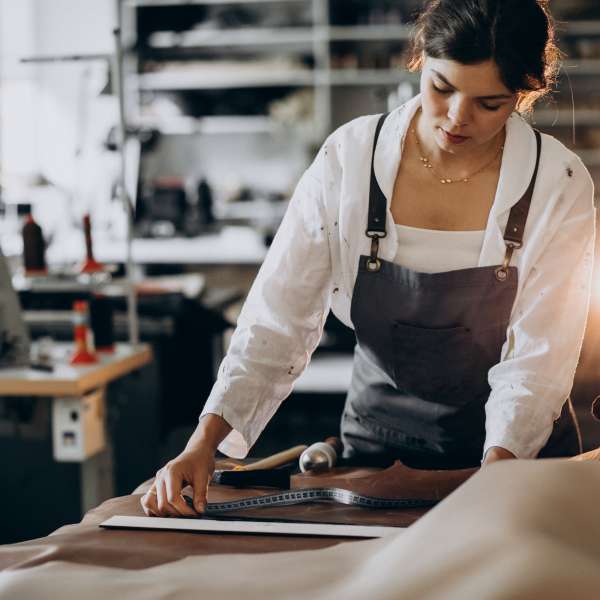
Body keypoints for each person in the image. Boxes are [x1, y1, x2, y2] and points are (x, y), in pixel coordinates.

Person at [142, 0, 596, 518]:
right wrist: (203, 444)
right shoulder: (350, 158)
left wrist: (495, 475)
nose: (456, 117)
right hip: (379, 456)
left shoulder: (557, 183)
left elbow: (538, 359)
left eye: (488, 103)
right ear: (419, 58)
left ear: (526, 91)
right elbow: (278, 317)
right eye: (442, 88)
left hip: (514, 461)